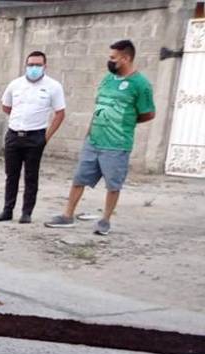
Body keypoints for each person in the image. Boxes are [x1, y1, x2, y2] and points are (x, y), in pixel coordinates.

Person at [45, 39, 155, 236]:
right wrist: (89, 132)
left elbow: (148, 113)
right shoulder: (107, 79)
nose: (109, 61)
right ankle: (67, 215)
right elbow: (99, 107)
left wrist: (125, 121)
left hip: (117, 144)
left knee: (113, 184)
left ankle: (105, 220)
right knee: (79, 178)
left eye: (113, 58)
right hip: (94, 140)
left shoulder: (141, 84)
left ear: (126, 58)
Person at [0, 51, 66, 224]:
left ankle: (27, 212)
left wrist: (45, 137)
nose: (34, 68)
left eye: (38, 65)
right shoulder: (15, 84)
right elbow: (6, 106)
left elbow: (60, 114)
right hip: (14, 134)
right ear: (26, 65)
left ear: (45, 66)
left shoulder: (53, 86)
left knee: (31, 176)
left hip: (36, 136)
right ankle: (7, 210)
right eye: (31, 64)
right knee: (11, 175)